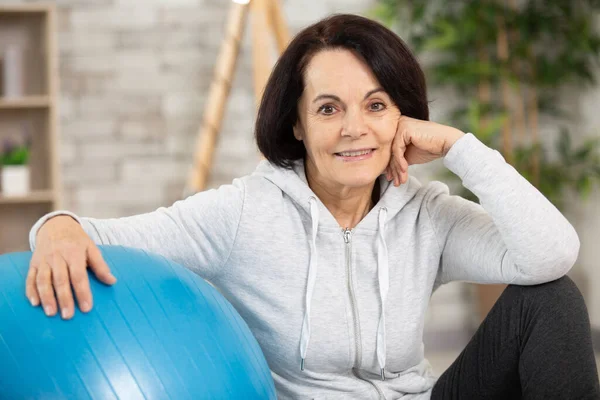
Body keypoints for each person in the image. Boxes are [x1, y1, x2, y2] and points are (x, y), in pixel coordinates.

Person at [25, 13, 599, 400]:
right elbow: (98, 234)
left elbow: (551, 255)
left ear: (403, 117)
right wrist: (56, 228)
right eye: (328, 109)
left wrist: (459, 147)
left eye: (376, 105)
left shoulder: (426, 213)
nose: (355, 129)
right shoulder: (244, 213)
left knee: (550, 298)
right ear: (297, 124)